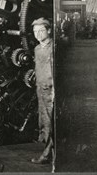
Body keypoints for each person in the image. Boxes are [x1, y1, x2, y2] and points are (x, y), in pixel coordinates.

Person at [31, 17, 54, 164]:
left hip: (51, 91)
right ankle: (48, 154)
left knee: (51, 124)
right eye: (35, 31)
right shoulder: (37, 49)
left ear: (49, 30)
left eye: (41, 30)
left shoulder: (53, 48)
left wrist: (54, 93)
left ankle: (48, 156)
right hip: (40, 89)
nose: (38, 34)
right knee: (44, 122)